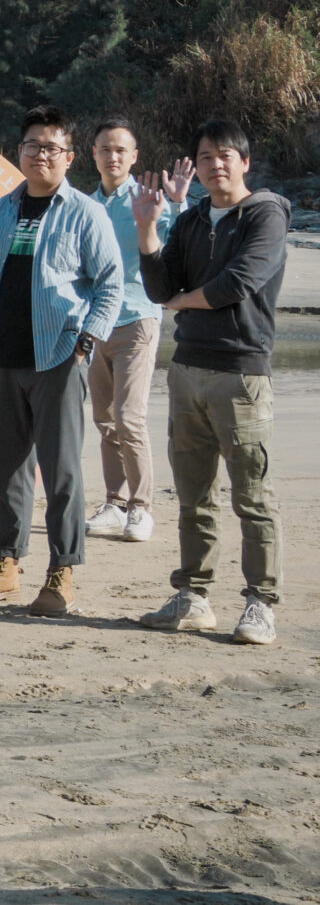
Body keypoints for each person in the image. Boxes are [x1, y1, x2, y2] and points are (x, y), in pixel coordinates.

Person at [0, 105, 123, 616]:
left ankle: (62, 571)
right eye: (31, 146)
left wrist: (86, 344)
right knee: (9, 470)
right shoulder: (1, 211)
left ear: (69, 157)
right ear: (18, 152)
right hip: (1, 356)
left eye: (51, 147)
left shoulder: (86, 213)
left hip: (58, 357)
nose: (40, 155)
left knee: (61, 470)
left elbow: (110, 285)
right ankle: (6, 565)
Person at [136, 122, 290, 644]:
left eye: (225, 155)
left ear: (245, 162)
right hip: (187, 370)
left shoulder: (266, 214)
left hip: (241, 372)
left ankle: (261, 603)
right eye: (205, 157)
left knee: (252, 495)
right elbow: (160, 286)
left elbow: (238, 283)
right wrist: (148, 230)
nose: (215, 164)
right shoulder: (193, 218)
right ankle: (193, 596)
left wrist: (183, 301)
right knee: (193, 493)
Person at [84, 116, 173, 545]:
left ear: (134, 156)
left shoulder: (149, 199)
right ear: (94, 154)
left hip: (138, 318)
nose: (112, 156)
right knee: (104, 419)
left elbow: (176, 248)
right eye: (105, 149)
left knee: (129, 417)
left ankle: (141, 508)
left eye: (121, 150)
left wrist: (177, 205)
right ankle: (114, 504)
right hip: (94, 324)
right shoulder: (85, 205)